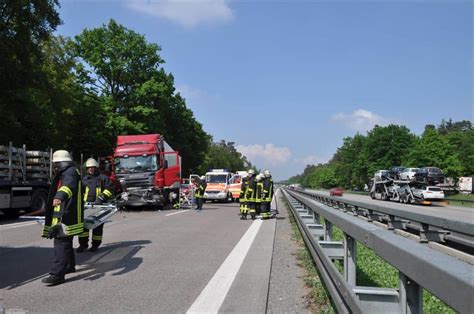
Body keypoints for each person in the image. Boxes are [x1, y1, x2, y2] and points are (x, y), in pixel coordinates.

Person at [42, 150, 84, 285]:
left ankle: (57, 274)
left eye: (56, 164)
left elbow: (68, 185)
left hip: (66, 215)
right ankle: (69, 266)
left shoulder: (69, 172)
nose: (55, 167)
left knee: (61, 243)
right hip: (67, 213)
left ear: (60, 162)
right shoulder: (68, 171)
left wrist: (59, 196)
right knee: (66, 242)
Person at [77, 158, 114, 253]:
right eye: (89, 168)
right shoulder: (84, 180)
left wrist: (101, 198)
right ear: (86, 169)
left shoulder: (103, 178)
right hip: (86, 207)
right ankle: (83, 245)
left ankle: (95, 245)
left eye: (93, 168)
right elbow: (79, 193)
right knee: (83, 227)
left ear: (96, 168)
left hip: (99, 207)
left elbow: (110, 189)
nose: (91, 169)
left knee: (97, 227)